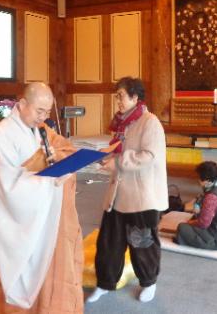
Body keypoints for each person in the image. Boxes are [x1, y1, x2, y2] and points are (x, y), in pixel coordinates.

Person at [0, 82, 83, 314]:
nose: (43, 117)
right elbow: (8, 188)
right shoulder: (2, 135)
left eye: (47, 112)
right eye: (39, 111)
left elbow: (41, 163)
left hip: (40, 215)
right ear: (22, 104)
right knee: (17, 279)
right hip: (16, 221)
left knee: (44, 268)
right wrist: (49, 179)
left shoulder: (35, 130)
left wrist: (57, 168)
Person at [87, 76, 168, 304]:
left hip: (141, 196)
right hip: (118, 193)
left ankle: (148, 282)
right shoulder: (123, 123)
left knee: (142, 242)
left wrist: (118, 161)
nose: (118, 101)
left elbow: (149, 156)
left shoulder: (150, 122)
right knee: (109, 242)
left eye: (121, 96)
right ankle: (105, 283)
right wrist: (106, 158)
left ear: (135, 97)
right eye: (117, 97)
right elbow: (119, 150)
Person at [175, 161, 217, 249]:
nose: (198, 180)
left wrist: (189, 223)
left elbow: (203, 223)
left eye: (199, 178)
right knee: (192, 220)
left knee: (182, 227)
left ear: (207, 180)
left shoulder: (211, 197)